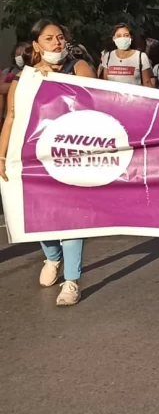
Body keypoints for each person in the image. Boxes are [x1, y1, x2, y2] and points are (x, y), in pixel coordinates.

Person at [0, 20, 95, 306]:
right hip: (34, 157)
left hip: (72, 156)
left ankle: (71, 280)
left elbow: (95, 102)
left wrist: (54, 82)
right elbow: (12, 118)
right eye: (49, 38)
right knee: (40, 215)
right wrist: (2, 155)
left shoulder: (78, 68)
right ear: (36, 45)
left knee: (71, 220)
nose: (57, 43)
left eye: (60, 37)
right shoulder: (22, 79)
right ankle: (52, 257)